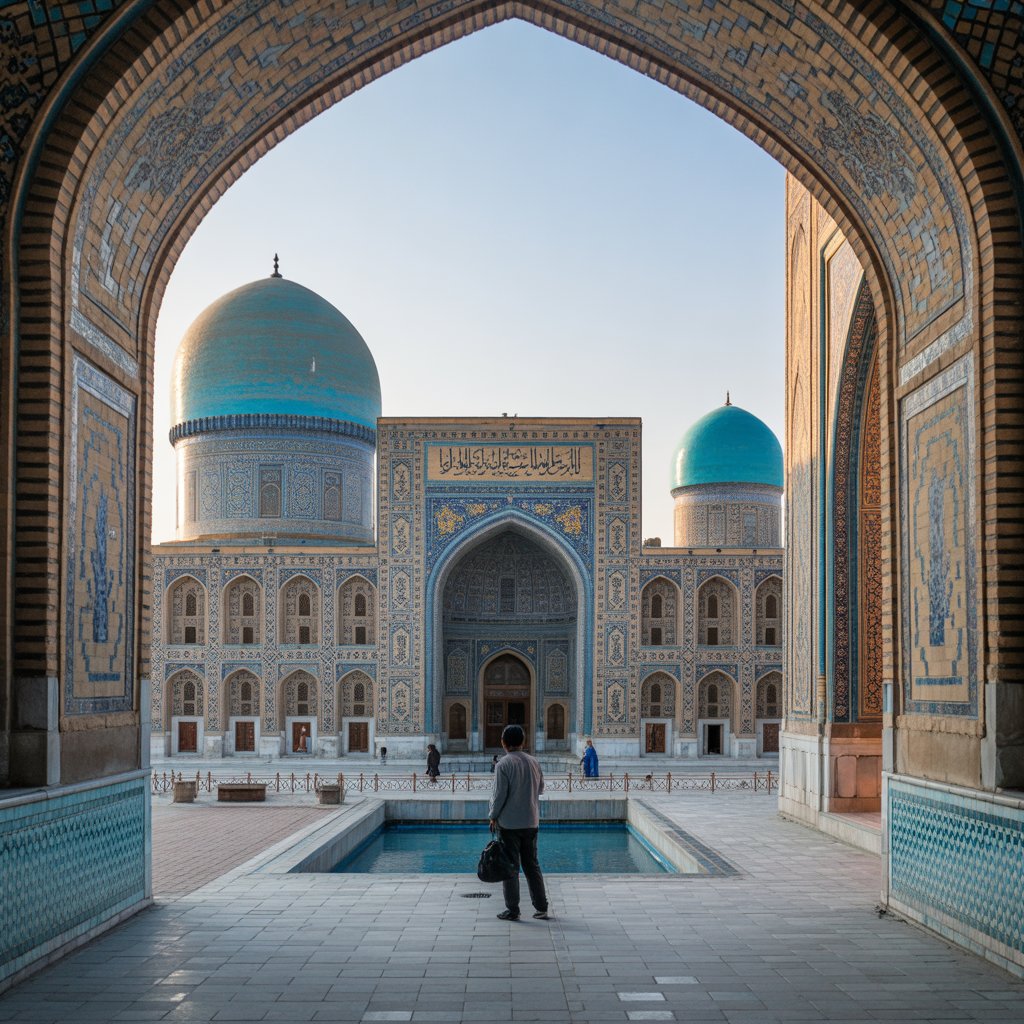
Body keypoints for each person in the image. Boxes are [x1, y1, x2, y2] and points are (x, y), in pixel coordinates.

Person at [488, 724, 549, 921]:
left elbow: (499, 796)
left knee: (511, 866)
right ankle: (541, 907)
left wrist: (493, 816)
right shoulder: (534, 762)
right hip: (531, 821)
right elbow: (540, 788)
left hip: (509, 824)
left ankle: (513, 909)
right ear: (523, 742)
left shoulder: (503, 765)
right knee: (532, 865)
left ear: (503, 743)